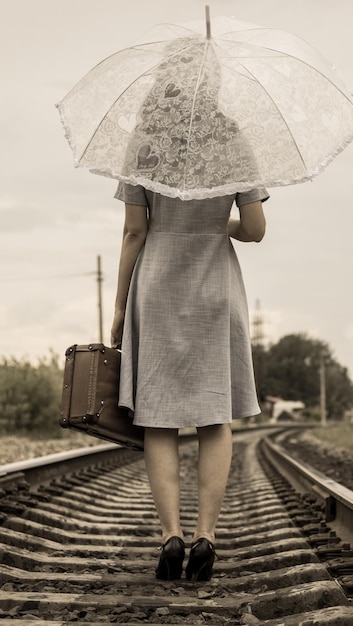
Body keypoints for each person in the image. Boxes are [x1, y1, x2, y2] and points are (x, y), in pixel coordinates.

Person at [110, 181, 267, 582]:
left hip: (157, 283)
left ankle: (170, 538)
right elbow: (255, 229)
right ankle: (205, 537)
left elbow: (135, 231)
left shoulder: (144, 147)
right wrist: (215, 224)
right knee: (215, 418)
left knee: (158, 417)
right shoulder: (234, 144)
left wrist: (118, 306)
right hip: (216, 285)